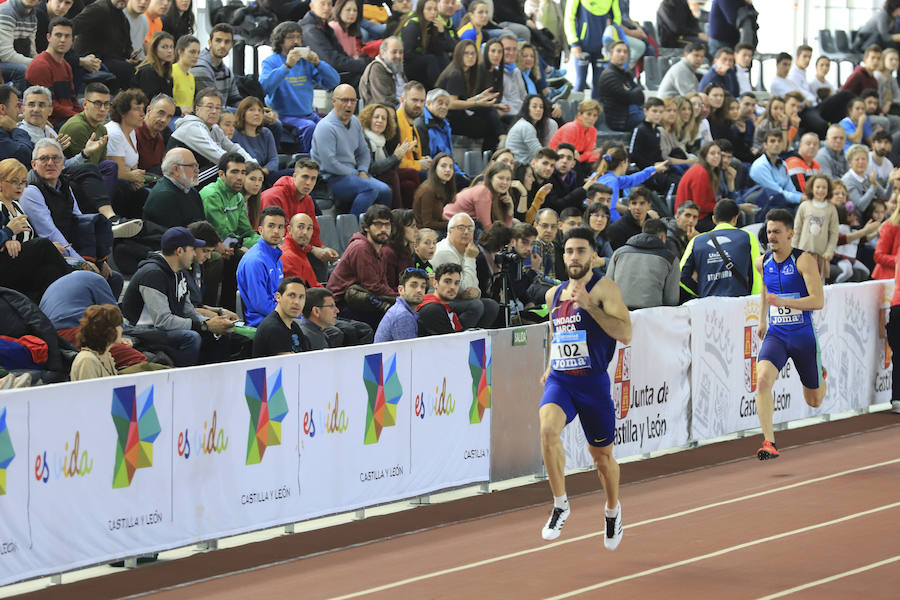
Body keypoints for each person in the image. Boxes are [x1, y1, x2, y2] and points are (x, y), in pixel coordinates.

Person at [538, 226, 631, 548]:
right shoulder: (553, 295)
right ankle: (560, 503)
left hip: (593, 385)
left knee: (602, 459)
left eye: (580, 251)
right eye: (568, 251)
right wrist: (550, 365)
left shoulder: (605, 289)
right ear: (562, 256)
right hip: (562, 381)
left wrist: (590, 305)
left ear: (593, 255)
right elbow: (557, 334)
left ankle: (612, 510)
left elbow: (626, 334)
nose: (574, 257)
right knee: (548, 431)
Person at [754, 208, 827, 459]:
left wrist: (784, 301)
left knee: (814, 401)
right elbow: (766, 292)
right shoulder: (762, 262)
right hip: (777, 335)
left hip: (803, 336)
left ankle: (821, 373)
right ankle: (769, 442)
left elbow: (818, 301)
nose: (771, 236)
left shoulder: (803, 260)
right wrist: (762, 320)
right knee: (762, 380)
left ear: (790, 234)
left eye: (777, 232)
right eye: (769, 231)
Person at [19, 138, 123, 295]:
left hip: (68, 250)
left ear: (63, 163)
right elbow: (49, 232)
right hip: (49, 257)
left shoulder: (64, 185)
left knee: (113, 278)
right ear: (34, 164)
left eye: (56, 158)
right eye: (44, 158)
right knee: (94, 280)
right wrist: (83, 263)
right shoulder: (30, 191)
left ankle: (106, 317)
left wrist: (100, 260)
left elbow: (81, 223)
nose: (50, 163)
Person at [121, 226, 234, 366]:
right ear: (179, 251)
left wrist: (214, 323)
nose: (194, 254)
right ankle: (183, 381)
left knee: (219, 333)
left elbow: (188, 311)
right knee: (191, 337)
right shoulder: (152, 274)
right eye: (192, 249)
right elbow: (163, 320)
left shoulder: (179, 272)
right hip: (140, 330)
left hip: (160, 328)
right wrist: (205, 325)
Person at [310, 83, 393, 217]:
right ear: (334, 101)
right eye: (344, 100)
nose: (349, 105)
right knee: (370, 188)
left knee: (385, 190)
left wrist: (363, 170)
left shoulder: (355, 122)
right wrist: (356, 173)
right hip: (331, 179)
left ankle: (378, 229)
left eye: (352, 100)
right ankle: (352, 231)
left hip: (354, 174)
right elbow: (329, 164)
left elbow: (364, 151)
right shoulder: (325, 127)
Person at [0, 156, 73, 302]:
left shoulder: (17, 206)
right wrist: (7, 234)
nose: (20, 186)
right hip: (3, 268)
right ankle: (77, 279)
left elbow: (28, 242)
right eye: (14, 181)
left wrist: (52, 248)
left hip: (19, 265)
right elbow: (13, 237)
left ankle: (54, 312)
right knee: (43, 244)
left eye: (23, 182)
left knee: (50, 272)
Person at [260, 22, 340, 153]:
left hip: (309, 114)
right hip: (284, 116)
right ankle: (307, 163)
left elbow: (334, 82)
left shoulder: (305, 62)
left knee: (330, 127)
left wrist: (318, 63)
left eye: (299, 37)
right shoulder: (270, 61)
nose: (296, 41)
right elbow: (265, 87)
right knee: (309, 127)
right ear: (280, 41)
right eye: (291, 37)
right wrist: (287, 66)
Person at [262, 157, 338, 270]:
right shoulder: (273, 197)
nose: (308, 183)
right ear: (295, 176)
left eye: (313, 179)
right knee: (311, 257)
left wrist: (323, 249)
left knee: (320, 258)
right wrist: (312, 249)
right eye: (305, 177)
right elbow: (277, 235)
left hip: (295, 247)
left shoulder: (308, 200)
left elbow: (313, 233)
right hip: (270, 247)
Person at [325, 203, 397, 323]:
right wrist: (401, 298)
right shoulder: (361, 247)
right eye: (378, 224)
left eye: (387, 224)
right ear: (366, 227)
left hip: (362, 299)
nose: (384, 229)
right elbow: (373, 286)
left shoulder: (380, 248)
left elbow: (382, 284)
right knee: (393, 315)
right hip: (340, 305)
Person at [168, 87, 253, 184]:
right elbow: (220, 156)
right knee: (227, 168)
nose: (214, 111)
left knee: (238, 170)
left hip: (196, 174)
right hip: (178, 180)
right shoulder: (192, 127)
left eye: (218, 108)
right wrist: (247, 168)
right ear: (197, 109)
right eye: (209, 107)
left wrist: (252, 164)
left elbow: (233, 148)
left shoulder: (214, 128)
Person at [680, 198, 762, 298]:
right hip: (738, 302)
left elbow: (681, 275)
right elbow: (757, 273)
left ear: (714, 219)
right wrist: (753, 299)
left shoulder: (696, 241)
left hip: (708, 304)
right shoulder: (747, 237)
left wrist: (701, 291)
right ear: (735, 218)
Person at [431, 212, 500, 328]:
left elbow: (473, 288)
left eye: (470, 228)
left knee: (491, 305)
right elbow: (462, 287)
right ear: (450, 231)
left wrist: (476, 292)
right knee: (475, 305)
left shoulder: (468, 249)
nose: (466, 232)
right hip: (439, 300)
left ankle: (478, 339)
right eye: (461, 228)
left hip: (456, 298)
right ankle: (459, 339)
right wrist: (470, 258)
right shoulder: (445, 251)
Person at [434, 39, 502, 151]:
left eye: (473, 53)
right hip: (449, 120)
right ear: (459, 54)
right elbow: (450, 104)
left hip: (458, 116)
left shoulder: (465, 72)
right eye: (466, 53)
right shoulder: (455, 74)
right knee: (490, 128)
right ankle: (490, 160)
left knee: (489, 112)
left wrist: (479, 97)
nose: (470, 56)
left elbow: (461, 100)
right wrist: (476, 102)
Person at [606, 218, 680, 309]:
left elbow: (607, 286)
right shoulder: (671, 259)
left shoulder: (619, 253)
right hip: (650, 315)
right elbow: (671, 300)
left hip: (618, 312)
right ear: (663, 237)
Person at [234, 205, 287, 327]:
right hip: (262, 323)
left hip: (277, 318)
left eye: (280, 227)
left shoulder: (276, 257)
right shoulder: (255, 261)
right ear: (260, 230)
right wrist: (291, 316)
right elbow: (261, 304)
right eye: (271, 226)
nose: (276, 231)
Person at [24, 16, 81, 125]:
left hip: (68, 118)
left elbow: (73, 99)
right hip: (50, 123)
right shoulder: (40, 65)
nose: (63, 40)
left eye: (67, 36)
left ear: (72, 40)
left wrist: (84, 115)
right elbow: (49, 105)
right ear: (49, 37)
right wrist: (78, 117)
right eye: (58, 35)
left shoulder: (66, 65)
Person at [301, 0, 370, 87]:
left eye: (329, 4)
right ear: (312, 6)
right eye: (322, 4)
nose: (326, 8)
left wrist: (364, 62)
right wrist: (364, 64)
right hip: (316, 80)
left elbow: (342, 55)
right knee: (365, 78)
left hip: (330, 74)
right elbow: (332, 61)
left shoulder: (325, 26)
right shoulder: (310, 30)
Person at [105, 88, 148, 217]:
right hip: (114, 189)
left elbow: (133, 166)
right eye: (137, 109)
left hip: (127, 184)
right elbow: (117, 171)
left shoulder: (132, 131)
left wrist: (137, 179)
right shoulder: (114, 132)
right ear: (123, 112)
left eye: (143, 109)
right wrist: (136, 177)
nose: (142, 114)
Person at [596, 147, 666, 222]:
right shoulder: (612, 181)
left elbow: (632, 179)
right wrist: (624, 225)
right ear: (623, 162)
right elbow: (610, 210)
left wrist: (654, 169)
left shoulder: (607, 176)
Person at [793, 174, 840, 279]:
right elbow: (797, 230)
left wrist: (829, 251)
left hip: (821, 256)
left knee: (818, 286)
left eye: (824, 187)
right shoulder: (804, 206)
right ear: (811, 188)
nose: (821, 190)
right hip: (803, 254)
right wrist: (794, 250)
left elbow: (834, 233)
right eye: (817, 187)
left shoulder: (831, 209)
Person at [142, 147, 203, 228]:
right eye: (192, 166)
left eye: (197, 165)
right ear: (176, 169)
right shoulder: (164, 196)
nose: (197, 170)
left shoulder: (190, 190)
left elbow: (202, 225)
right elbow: (174, 237)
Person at [676, 141, 730, 231]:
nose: (716, 156)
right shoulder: (700, 173)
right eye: (712, 153)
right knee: (728, 226)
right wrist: (721, 206)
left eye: (719, 154)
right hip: (692, 217)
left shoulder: (711, 172)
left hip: (702, 214)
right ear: (704, 156)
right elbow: (700, 205)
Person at [400, 0, 453, 90]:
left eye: (435, 9)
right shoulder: (412, 25)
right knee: (430, 59)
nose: (433, 12)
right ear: (421, 10)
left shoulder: (433, 24)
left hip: (423, 61)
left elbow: (444, 48)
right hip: (406, 64)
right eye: (429, 9)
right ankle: (438, 89)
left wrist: (441, 33)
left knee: (442, 56)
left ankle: (450, 89)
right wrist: (424, 56)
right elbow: (407, 54)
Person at [442, 161, 513, 228]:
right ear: (491, 178)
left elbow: (505, 227)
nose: (505, 182)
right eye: (501, 178)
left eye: (508, 179)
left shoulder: (498, 194)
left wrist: (510, 209)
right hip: (449, 223)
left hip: (465, 224)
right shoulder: (484, 192)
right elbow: (486, 227)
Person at [252, 276, 309, 357]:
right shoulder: (272, 328)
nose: (297, 302)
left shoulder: (294, 326)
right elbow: (290, 366)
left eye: (301, 297)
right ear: (278, 297)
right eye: (292, 295)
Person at [190, 23, 242, 108]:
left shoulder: (226, 71)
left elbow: (235, 99)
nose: (222, 45)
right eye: (218, 40)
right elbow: (212, 105)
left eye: (227, 42)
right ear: (210, 43)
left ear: (231, 45)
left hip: (219, 114)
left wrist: (254, 110)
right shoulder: (200, 67)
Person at [749, 130, 804, 207]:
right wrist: (801, 198)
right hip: (764, 205)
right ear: (765, 145)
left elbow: (791, 190)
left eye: (779, 141)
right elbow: (776, 192)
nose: (776, 144)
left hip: (781, 202)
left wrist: (806, 198)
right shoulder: (759, 166)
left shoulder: (783, 164)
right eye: (772, 141)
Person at [70, 303, 123, 381]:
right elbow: (89, 392)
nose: (121, 329)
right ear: (108, 330)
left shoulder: (106, 355)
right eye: (118, 326)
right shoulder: (87, 360)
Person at [374, 266, 427, 342]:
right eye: (413, 285)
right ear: (401, 290)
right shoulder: (403, 315)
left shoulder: (401, 310)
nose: (419, 290)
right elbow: (409, 352)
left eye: (423, 286)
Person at [232, 96, 279, 180]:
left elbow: (274, 159)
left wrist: (262, 172)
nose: (257, 113)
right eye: (251, 110)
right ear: (243, 113)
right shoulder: (234, 134)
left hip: (265, 174)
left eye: (260, 110)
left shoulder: (266, 133)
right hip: (244, 177)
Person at [506, 94, 557, 164]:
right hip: (519, 167)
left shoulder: (527, 124)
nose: (538, 109)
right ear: (527, 109)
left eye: (541, 107)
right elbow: (540, 154)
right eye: (534, 107)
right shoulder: (526, 126)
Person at [549, 98, 601, 166]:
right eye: (589, 114)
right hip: (559, 159)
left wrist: (581, 158)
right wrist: (585, 156)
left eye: (595, 115)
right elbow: (567, 153)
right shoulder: (571, 128)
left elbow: (589, 151)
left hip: (576, 159)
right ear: (579, 115)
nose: (592, 118)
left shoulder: (593, 130)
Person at [416, 261, 464, 335]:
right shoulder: (433, 309)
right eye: (447, 281)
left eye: (456, 283)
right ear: (435, 284)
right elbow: (450, 343)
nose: (453, 287)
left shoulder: (445, 306)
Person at [360, 36, 407, 109]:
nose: (398, 56)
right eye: (394, 52)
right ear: (382, 53)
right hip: (384, 114)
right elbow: (384, 101)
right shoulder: (377, 68)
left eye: (401, 52)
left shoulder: (397, 67)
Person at [413, 152, 454, 232]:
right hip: (424, 233)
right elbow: (427, 224)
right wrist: (453, 223)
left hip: (437, 229)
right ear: (434, 168)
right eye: (443, 166)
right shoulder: (428, 190)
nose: (448, 170)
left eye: (451, 167)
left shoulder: (444, 186)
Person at [605, 186, 656, 251]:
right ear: (629, 205)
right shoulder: (616, 228)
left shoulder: (653, 226)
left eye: (642, 203)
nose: (637, 207)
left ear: (649, 206)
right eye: (634, 203)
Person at [133, 31, 175, 107]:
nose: (170, 51)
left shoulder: (167, 74)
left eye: (171, 47)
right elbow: (153, 104)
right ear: (154, 49)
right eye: (164, 47)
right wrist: (179, 110)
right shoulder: (148, 71)